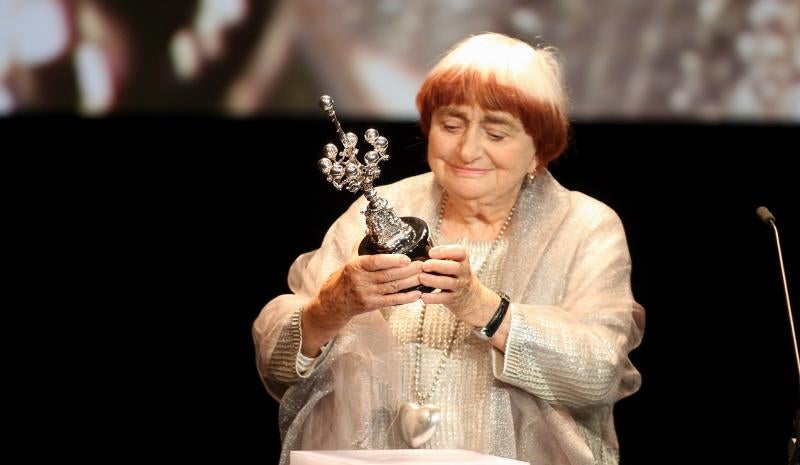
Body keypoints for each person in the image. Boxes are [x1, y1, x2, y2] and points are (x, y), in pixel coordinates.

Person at [253, 32, 644, 465]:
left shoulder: (584, 227)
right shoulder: (380, 209)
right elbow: (277, 365)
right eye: (451, 125)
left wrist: (486, 309)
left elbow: (601, 375)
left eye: (496, 133)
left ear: (540, 150)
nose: (467, 150)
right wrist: (331, 306)